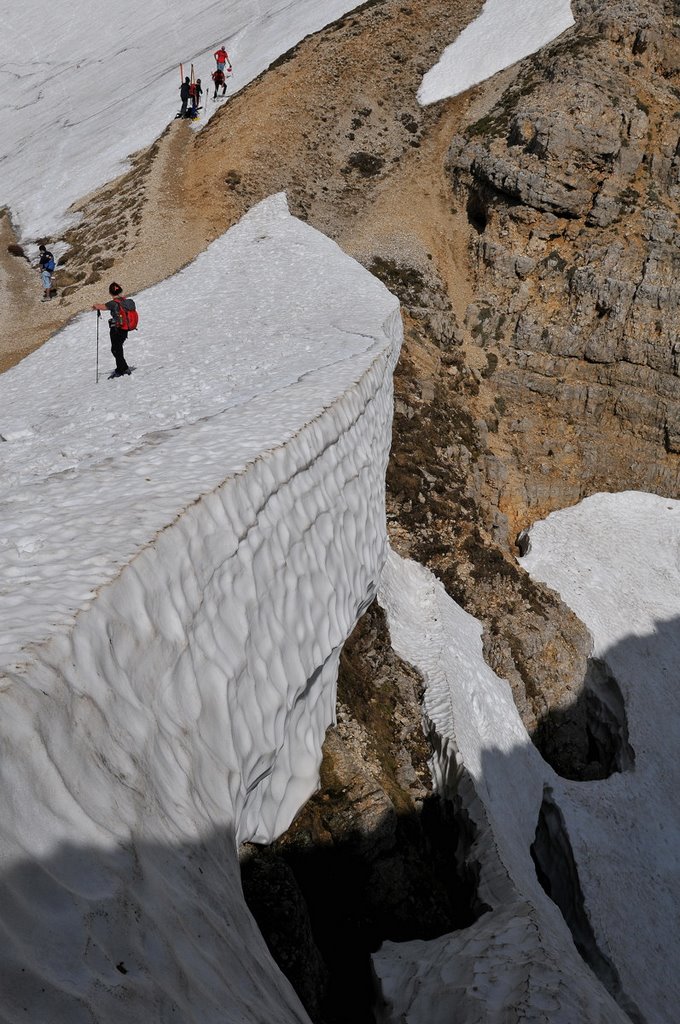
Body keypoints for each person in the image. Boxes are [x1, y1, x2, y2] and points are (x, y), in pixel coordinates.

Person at [92, 282, 133, 378]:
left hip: (116, 329)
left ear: (110, 293)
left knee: (115, 349)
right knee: (118, 348)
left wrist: (95, 306)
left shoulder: (113, 303)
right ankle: (123, 368)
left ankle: (122, 369)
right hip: (125, 328)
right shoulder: (125, 301)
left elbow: (102, 306)